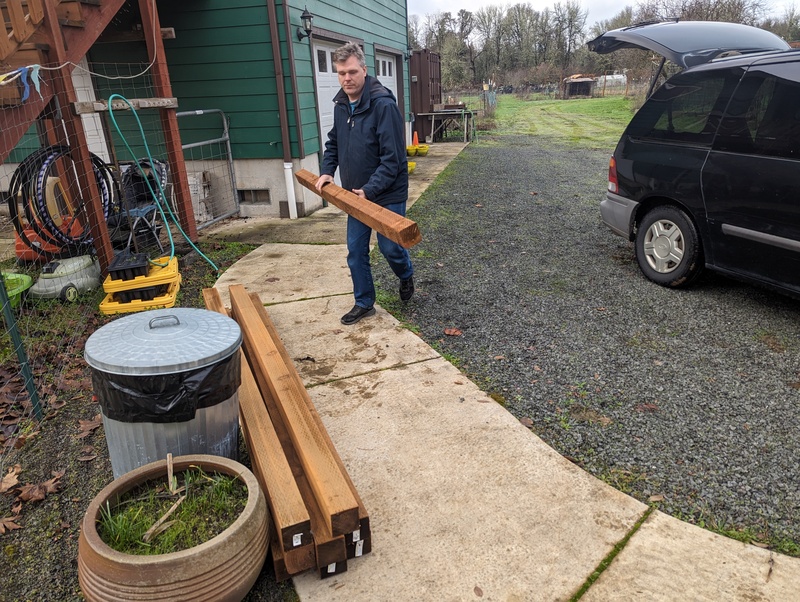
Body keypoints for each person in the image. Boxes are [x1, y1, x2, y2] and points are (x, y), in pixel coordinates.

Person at [315, 42, 414, 325]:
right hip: (355, 195)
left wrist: (368, 191)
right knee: (356, 252)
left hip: (386, 192)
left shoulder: (383, 106)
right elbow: (333, 142)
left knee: (390, 248)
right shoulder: (341, 105)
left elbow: (393, 159)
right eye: (341, 73)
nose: (347, 78)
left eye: (352, 72)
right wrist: (326, 171)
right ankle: (364, 302)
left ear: (364, 70)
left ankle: (406, 274)